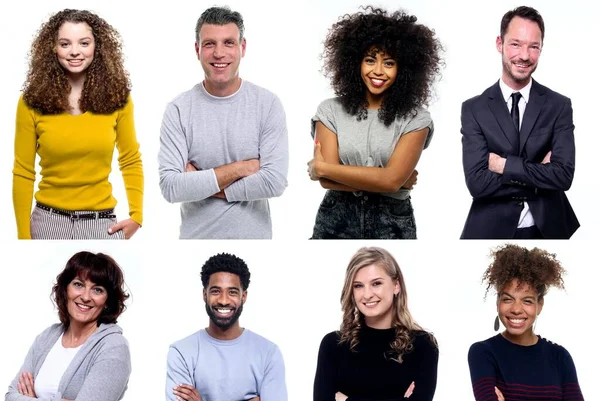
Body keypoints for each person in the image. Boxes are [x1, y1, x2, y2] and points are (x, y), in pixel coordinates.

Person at [307, 6, 442, 239]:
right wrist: (391, 180)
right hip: (336, 218)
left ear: (404, 69)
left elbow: (389, 181)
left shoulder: (416, 118)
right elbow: (327, 183)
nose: (378, 71)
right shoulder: (330, 110)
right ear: (355, 62)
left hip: (392, 221)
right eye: (370, 60)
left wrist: (322, 168)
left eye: (389, 63)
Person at [158, 6, 289, 239]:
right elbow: (171, 187)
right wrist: (242, 168)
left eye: (228, 42)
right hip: (195, 242)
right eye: (210, 44)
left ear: (242, 47)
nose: (219, 53)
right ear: (197, 50)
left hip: (255, 243)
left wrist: (202, 183)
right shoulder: (178, 110)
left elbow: (273, 182)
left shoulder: (267, 104)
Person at [12, 9, 144, 240]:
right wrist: (24, 236)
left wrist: (137, 216)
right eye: (65, 44)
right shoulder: (31, 102)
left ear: (97, 47)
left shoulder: (118, 99)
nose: (75, 51)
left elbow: (130, 159)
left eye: (84, 43)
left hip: (101, 224)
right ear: (52, 48)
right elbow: (23, 171)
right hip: (47, 223)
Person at [313, 247, 438, 401]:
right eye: (358, 286)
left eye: (376, 283)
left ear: (396, 285)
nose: (367, 294)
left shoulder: (422, 344)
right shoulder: (334, 344)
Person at [4, 252, 131, 401]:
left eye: (98, 289)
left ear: (108, 300)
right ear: (65, 289)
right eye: (78, 284)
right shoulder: (47, 338)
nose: (85, 296)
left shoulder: (113, 347)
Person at [468, 244, 587, 401]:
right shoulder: (483, 353)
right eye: (507, 299)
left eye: (527, 300)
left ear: (540, 305)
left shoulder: (559, 356)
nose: (516, 309)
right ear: (497, 302)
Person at [166, 253, 287, 401]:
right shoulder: (182, 351)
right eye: (215, 291)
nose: (223, 300)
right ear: (204, 294)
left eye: (232, 291)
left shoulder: (267, 352)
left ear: (244, 296)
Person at [461, 6, 578, 239]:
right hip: (489, 229)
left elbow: (563, 176)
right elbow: (477, 183)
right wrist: (541, 174)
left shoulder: (559, 105)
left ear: (541, 49)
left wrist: (503, 166)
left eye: (533, 47)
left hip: (550, 228)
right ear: (499, 44)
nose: (524, 56)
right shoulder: (474, 108)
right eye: (516, 44)